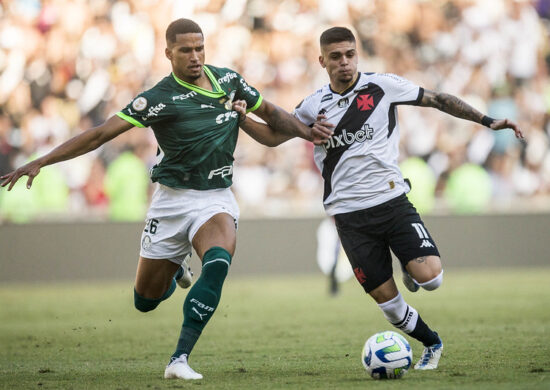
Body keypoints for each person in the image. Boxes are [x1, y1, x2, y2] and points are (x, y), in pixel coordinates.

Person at [0, 19, 331, 380]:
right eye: (186, 50)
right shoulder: (157, 99)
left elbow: (270, 116)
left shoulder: (229, 81)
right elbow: (98, 135)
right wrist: (42, 161)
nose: (195, 56)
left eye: (200, 48)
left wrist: (307, 133)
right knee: (146, 301)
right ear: (168, 53)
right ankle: (176, 272)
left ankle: (179, 359)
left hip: (215, 198)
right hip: (172, 203)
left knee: (218, 262)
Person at [233, 26, 524, 371]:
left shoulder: (382, 86)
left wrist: (488, 121)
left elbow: (438, 99)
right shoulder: (312, 106)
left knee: (432, 278)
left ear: (357, 54)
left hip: (391, 202)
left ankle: (411, 269)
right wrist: (242, 120)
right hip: (349, 216)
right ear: (322, 60)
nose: (345, 63)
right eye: (336, 57)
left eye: (350, 54)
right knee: (388, 304)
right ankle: (432, 342)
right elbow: (272, 137)